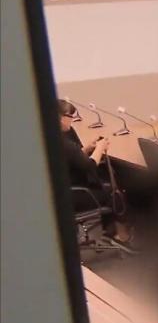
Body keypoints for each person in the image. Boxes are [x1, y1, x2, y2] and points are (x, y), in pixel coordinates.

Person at [57, 99, 130, 242]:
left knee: (106, 184)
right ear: (60, 117)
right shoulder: (65, 143)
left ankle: (109, 232)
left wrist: (87, 149)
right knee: (115, 191)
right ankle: (121, 236)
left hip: (64, 192)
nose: (72, 120)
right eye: (70, 116)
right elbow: (89, 166)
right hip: (76, 195)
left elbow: (72, 159)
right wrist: (100, 148)